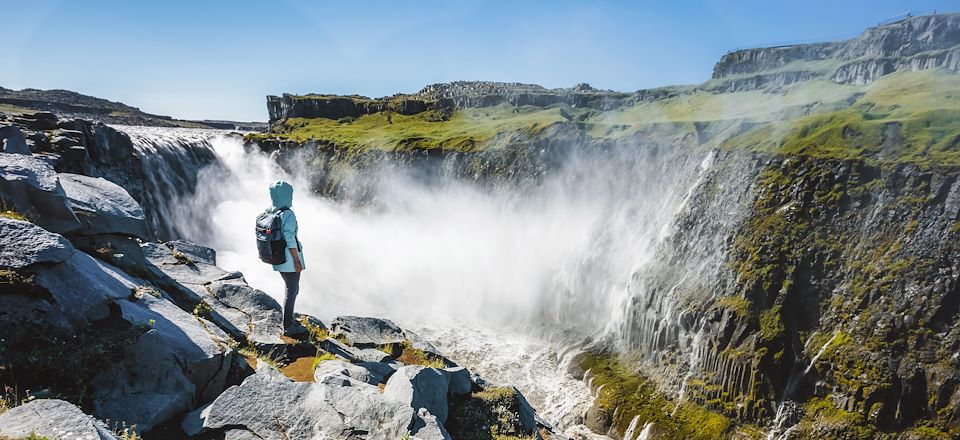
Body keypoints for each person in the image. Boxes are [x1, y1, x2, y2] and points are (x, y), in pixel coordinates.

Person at [268, 180, 307, 336]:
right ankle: (288, 326)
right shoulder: (288, 214)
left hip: (276, 256)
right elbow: (290, 238)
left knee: (289, 288)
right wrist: (297, 260)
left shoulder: (271, 211)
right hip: (289, 258)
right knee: (292, 290)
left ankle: (288, 319)